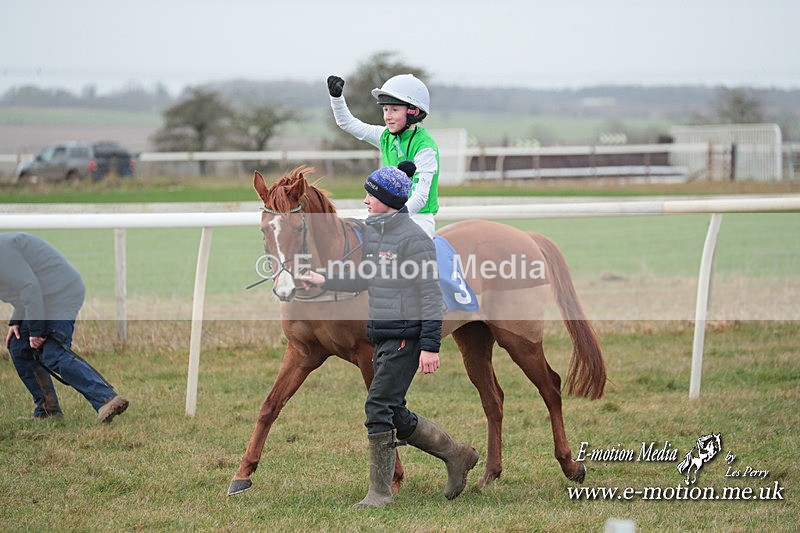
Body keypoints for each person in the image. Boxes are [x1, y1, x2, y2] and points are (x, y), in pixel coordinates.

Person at [298, 165, 478, 508]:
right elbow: (367, 275)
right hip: (383, 333)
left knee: (377, 407)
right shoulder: (376, 232)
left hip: (406, 337)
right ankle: (456, 454)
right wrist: (324, 278)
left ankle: (379, 494)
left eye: (371, 195)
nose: (365, 200)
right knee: (393, 410)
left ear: (388, 200)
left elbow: (430, 296)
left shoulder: (414, 239)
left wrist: (429, 347)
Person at [1, 232, 129, 424]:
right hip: (42, 297)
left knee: (52, 352)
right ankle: (47, 409)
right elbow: (21, 290)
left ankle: (107, 399)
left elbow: (29, 286)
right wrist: (16, 321)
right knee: (18, 347)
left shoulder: (3, 251)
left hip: (62, 294)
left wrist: (36, 331)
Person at [327, 73, 440, 238]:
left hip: (418, 217)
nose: (387, 116)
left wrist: (394, 218)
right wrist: (336, 98)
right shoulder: (385, 136)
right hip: (386, 214)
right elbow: (348, 123)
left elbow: (420, 197)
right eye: (385, 109)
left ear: (413, 112)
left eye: (394, 110)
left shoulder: (425, 148)